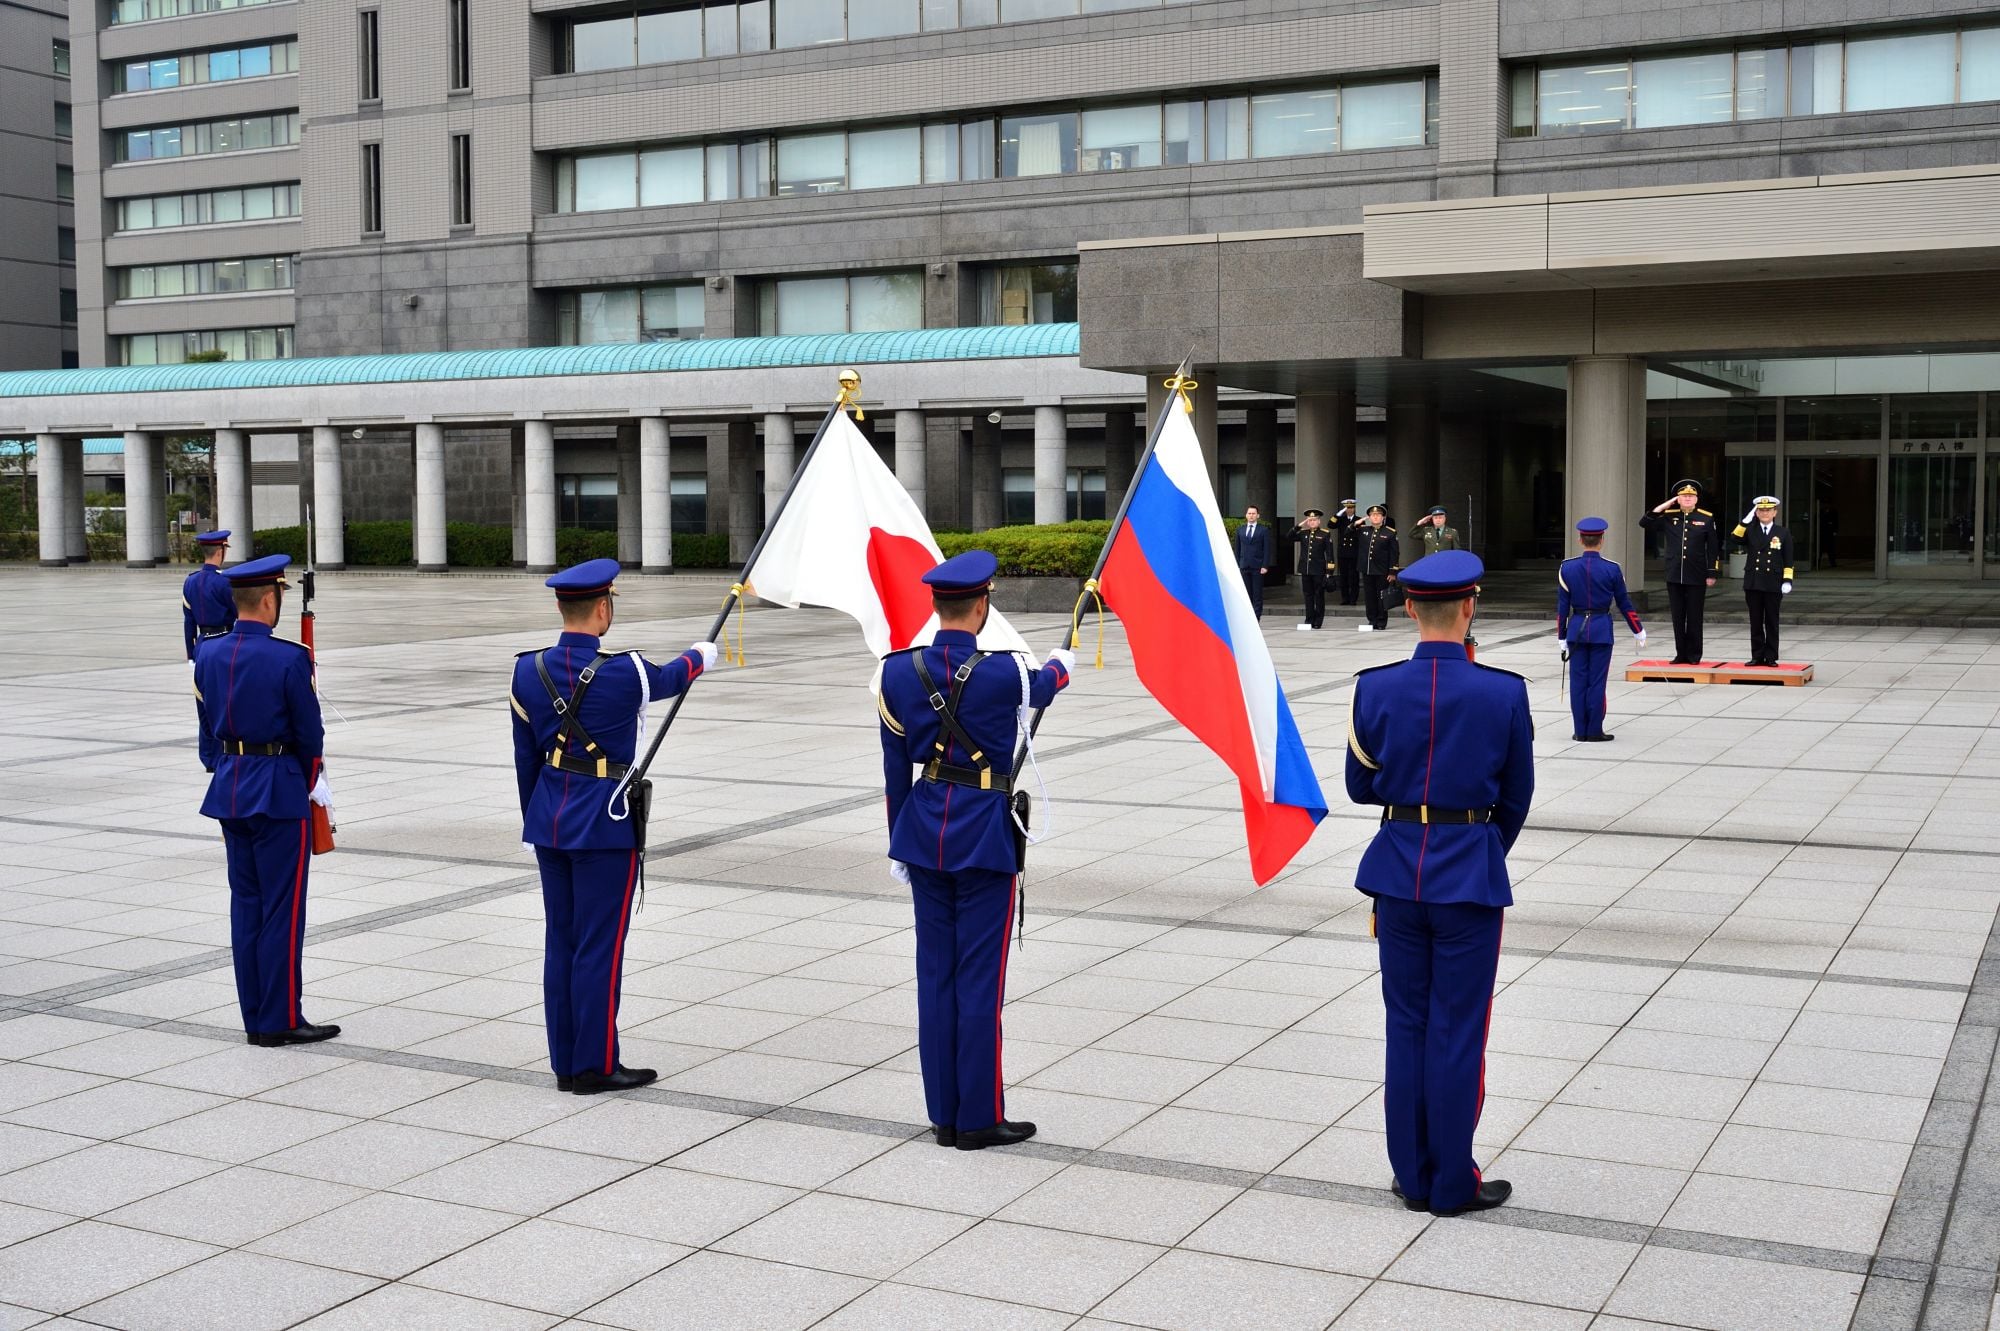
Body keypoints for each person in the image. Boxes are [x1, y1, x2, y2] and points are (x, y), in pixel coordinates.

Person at [1346, 549, 1533, 1217]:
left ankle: (1412, 1176)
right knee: (1458, 1029)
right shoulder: (1504, 691)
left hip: (1397, 871)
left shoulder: (1374, 687)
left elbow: (1360, 784)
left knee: (1407, 1025)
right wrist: (1476, 846)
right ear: (1470, 605)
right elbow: (1516, 797)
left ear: (1408, 609)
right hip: (1469, 876)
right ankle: (1452, 1180)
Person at [879, 550, 1073, 1151]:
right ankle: (979, 1118)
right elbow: (1045, 686)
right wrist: (1064, 663)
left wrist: (896, 841)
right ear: (983, 605)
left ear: (936, 606)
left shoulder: (896, 672)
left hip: (922, 830)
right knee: (979, 981)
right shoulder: (1006, 671)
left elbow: (893, 772)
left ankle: (944, 1113)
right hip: (984, 834)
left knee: (935, 976)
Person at [510, 558, 717, 1094]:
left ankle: (565, 1061)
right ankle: (595, 1065)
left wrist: (537, 816)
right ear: (603, 608)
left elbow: (526, 759)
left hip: (549, 819)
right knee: (599, 945)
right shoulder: (624, 670)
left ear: (562, 607)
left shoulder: (526, 670)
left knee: (562, 941)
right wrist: (704, 653)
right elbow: (673, 676)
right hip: (605, 821)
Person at [192, 554, 337, 1048]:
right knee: (283, 910)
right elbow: (309, 734)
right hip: (276, 790)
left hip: (230, 786)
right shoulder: (289, 658)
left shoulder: (207, 654)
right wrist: (312, 780)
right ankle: (280, 1018)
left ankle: (255, 1014)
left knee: (247, 906)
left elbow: (207, 726)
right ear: (271, 599)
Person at [1557, 517, 1645, 742]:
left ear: (1580, 539)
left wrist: (1561, 636)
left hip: (1576, 629)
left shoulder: (1567, 568)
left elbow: (1562, 607)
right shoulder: (1612, 569)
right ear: (1602, 540)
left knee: (1578, 682)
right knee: (1597, 682)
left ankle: (1580, 731)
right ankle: (1594, 730)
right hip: (1601, 630)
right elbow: (1624, 603)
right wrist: (1637, 629)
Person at [1639, 480, 1721, 664]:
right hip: (1674, 573)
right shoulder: (1669, 516)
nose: (1688, 499)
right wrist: (1667, 504)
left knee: (1694, 616)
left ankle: (1694, 654)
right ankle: (1680, 654)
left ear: (1696, 499)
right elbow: (1644, 522)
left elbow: (1713, 548)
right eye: (1684, 496)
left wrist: (1711, 572)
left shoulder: (1706, 518)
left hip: (1697, 573)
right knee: (1677, 616)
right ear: (1678, 498)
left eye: (1691, 496)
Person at [182, 530, 237, 772]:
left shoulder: (190, 581)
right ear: (221, 551)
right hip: (224, 640)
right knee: (226, 701)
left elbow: (187, 621)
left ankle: (209, 757)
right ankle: (226, 754)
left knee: (203, 703)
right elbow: (239, 614)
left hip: (202, 644)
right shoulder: (224, 582)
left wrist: (190, 654)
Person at [1733, 496, 1794, 666]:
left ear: (1775, 512)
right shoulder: (1751, 530)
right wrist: (1745, 521)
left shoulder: (1783, 532)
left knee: (1772, 621)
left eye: (1768, 510)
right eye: (1761, 510)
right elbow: (1735, 538)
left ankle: (1771, 656)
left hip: (1774, 582)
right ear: (1757, 513)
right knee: (1756, 621)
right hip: (1753, 582)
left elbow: (1788, 559)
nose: (1765, 513)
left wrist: (1787, 580)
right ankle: (1757, 655)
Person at [1290, 509, 1335, 630]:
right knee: (1308, 595)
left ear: (1319, 521)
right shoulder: (1303, 533)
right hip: (1306, 569)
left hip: (1319, 570)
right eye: (1310, 520)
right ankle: (1309, 619)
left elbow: (1330, 554)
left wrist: (1329, 572)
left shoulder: (1325, 534)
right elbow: (1289, 536)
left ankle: (1318, 620)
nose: (1312, 522)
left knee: (1319, 595)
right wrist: (1299, 525)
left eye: (1314, 520)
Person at [1358, 504, 1399, 632]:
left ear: (1383, 517)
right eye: (1373, 515)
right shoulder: (1363, 530)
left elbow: (1394, 553)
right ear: (1369, 517)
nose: (1375, 517)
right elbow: (1347, 532)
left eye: (1378, 515)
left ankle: (1381, 621)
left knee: (1381, 596)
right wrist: (1357, 523)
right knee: (1369, 597)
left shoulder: (1390, 532)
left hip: (1382, 570)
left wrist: (1392, 571)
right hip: (1367, 569)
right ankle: (1372, 619)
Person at [1233, 506, 1274, 619]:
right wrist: (1237, 565)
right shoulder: (1240, 530)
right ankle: (1247, 616)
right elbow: (1237, 549)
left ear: (1258, 515)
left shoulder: (1263, 530)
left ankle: (1256, 616)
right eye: (1249, 513)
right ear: (1246, 515)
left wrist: (1265, 565)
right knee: (1246, 593)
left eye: (1253, 513)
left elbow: (1266, 549)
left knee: (1257, 593)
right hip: (1244, 565)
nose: (1251, 515)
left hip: (1258, 566)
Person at [1334, 500, 1362, 605]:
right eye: (1347, 508)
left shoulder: (1358, 520)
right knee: (1343, 577)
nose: (1349, 510)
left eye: (1351, 508)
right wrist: (1338, 515)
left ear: (1354, 508)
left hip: (1354, 551)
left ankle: (1353, 599)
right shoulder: (1341, 519)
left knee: (1353, 577)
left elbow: (1359, 533)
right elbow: (1330, 524)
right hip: (1343, 552)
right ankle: (1345, 598)